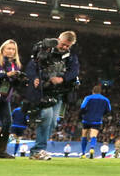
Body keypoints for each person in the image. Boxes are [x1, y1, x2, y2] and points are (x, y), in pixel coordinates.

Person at [24, 31, 79, 159]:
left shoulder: (71, 57)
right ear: (58, 39)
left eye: (68, 46)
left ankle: (39, 149)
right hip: (43, 92)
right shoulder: (45, 50)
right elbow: (31, 67)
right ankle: (38, 150)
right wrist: (35, 78)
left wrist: (63, 79)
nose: (65, 47)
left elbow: (74, 71)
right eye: (63, 44)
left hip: (58, 94)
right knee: (46, 117)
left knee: (53, 123)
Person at [78, 84, 112, 158]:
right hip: (97, 120)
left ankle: (83, 153)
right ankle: (92, 148)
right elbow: (109, 110)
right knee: (93, 135)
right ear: (100, 92)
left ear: (92, 91)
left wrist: (80, 116)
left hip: (86, 119)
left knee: (84, 135)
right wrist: (101, 114)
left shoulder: (88, 98)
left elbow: (82, 107)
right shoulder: (106, 99)